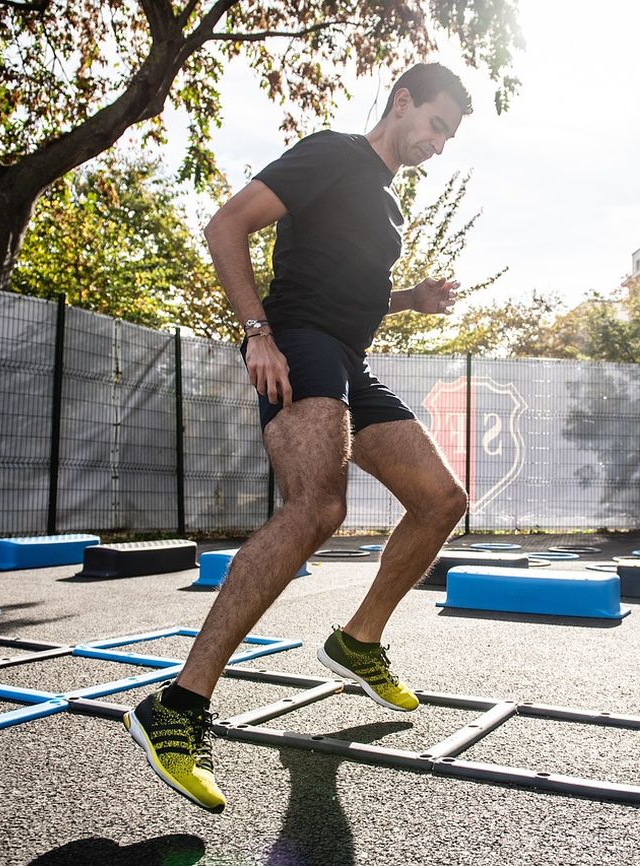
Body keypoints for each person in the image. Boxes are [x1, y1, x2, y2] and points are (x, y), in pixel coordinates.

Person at [123, 62, 474, 812]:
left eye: (451, 136)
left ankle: (357, 641)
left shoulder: (386, 208)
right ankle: (177, 709)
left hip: (349, 359)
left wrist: (413, 299)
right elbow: (227, 223)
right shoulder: (334, 152)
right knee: (316, 508)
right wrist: (258, 333)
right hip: (299, 343)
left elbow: (357, 292)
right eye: (438, 124)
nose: (441, 144)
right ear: (402, 101)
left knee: (441, 499)